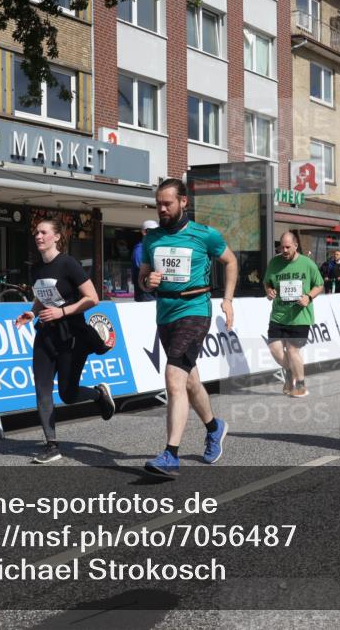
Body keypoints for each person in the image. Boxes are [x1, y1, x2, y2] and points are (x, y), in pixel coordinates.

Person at [138, 178, 239, 478]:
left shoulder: (204, 235)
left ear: (183, 202)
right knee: (190, 381)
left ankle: (170, 455)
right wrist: (148, 282)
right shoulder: (151, 239)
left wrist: (229, 300)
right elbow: (143, 277)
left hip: (195, 309)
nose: (162, 208)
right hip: (165, 312)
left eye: (167, 203)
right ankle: (214, 427)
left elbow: (230, 261)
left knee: (173, 378)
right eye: (158, 203)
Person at [13, 219, 116, 464]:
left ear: (57, 237)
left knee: (68, 394)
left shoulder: (68, 264)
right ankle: (52, 445)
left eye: (43, 232)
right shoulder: (36, 268)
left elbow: (93, 298)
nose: (38, 236)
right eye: (36, 232)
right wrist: (33, 312)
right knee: (42, 388)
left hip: (72, 335)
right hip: (46, 334)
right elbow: (42, 297)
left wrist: (62, 312)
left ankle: (98, 395)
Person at [263, 231, 324, 397]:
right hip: (278, 315)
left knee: (291, 350)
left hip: (299, 316)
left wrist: (309, 297)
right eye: (281, 247)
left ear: (296, 246)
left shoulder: (307, 264)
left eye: (288, 247)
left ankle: (301, 385)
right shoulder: (274, 263)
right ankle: (290, 373)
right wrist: (269, 291)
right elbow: (267, 283)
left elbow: (319, 285)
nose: (284, 250)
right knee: (274, 349)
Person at [132, 219, 159, 302]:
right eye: (151, 230)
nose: (155, 233)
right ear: (144, 232)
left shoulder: (152, 247)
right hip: (145, 295)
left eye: (157, 231)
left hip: (154, 294)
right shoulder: (139, 249)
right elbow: (143, 268)